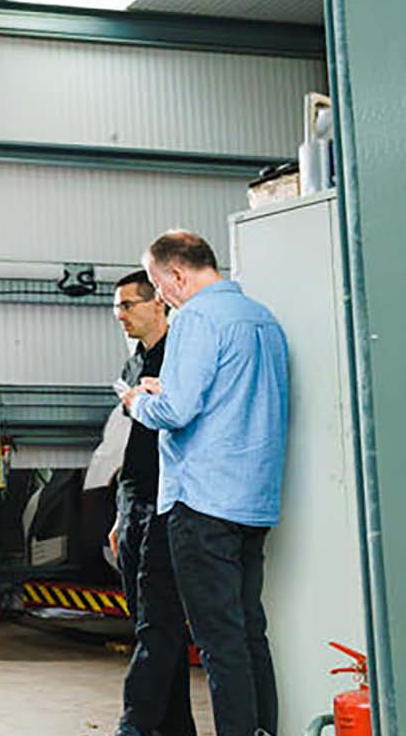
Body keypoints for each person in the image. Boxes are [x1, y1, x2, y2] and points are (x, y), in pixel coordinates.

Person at [123, 230, 289, 736]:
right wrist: (166, 388)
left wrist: (137, 402)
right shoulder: (261, 318)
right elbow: (233, 399)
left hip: (203, 503)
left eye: (157, 285)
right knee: (248, 634)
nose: (162, 298)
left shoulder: (197, 317)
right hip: (253, 500)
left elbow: (176, 411)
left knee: (219, 642)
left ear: (176, 274)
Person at [109, 271, 196, 736]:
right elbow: (132, 444)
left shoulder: (181, 357)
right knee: (149, 621)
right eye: (117, 307)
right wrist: (119, 514)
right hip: (134, 501)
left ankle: (135, 725)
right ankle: (175, 728)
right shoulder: (133, 364)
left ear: (158, 303)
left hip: (167, 503)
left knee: (158, 621)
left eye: (129, 305)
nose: (120, 315)